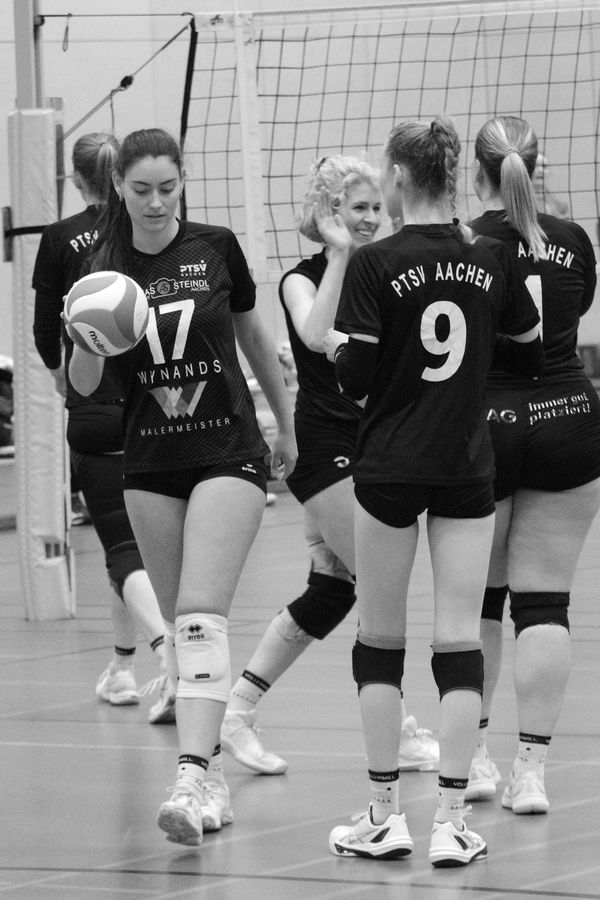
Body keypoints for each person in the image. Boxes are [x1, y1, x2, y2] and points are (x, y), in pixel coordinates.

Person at [67, 127, 297, 847]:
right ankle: (213, 779)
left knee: (200, 617)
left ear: (183, 181)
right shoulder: (105, 269)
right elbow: (84, 385)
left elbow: (255, 340)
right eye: (141, 190)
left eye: (168, 187)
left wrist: (288, 427)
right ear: (119, 189)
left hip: (227, 450)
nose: (157, 202)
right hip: (150, 463)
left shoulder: (215, 248)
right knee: (180, 639)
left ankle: (189, 777)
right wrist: (84, 330)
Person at [323, 116, 543, 867]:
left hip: (388, 465)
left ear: (397, 176)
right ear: (450, 176)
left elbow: (354, 379)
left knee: (379, 640)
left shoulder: (374, 262)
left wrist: (356, 357)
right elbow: (530, 350)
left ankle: (385, 816)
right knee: (459, 639)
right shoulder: (491, 255)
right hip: (465, 465)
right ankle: (451, 819)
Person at [222, 155, 439, 777]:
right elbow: (317, 335)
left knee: (332, 590)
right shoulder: (303, 278)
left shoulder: (390, 271)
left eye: (375, 207)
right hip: (324, 448)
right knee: (378, 583)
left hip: (376, 442)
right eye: (356, 207)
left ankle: (236, 713)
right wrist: (340, 254)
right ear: (329, 212)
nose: (370, 218)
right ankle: (398, 732)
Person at [465, 115, 600, 813]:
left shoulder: (463, 244)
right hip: (569, 417)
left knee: (477, 601)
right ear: (534, 166)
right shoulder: (573, 240)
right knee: (546, 604)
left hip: (486, 424)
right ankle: (532, 774)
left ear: (475, 172)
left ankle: (475, 760)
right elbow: (572, 319)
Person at [32, 132, 173, 721]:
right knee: (139, 550)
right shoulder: (147, 236)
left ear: (76, 178)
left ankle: (167, 654)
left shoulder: (62, 239)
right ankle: (122, 666)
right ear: (121, 180)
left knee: (121, 550)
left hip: (96, 410)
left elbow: (46, 332)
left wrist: (66, 377)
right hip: (154, 408)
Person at [533, 152, 570, 219]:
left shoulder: (558, 205)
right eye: (535, 166)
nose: (540, 170)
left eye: (544, 166)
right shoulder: (518, 201)